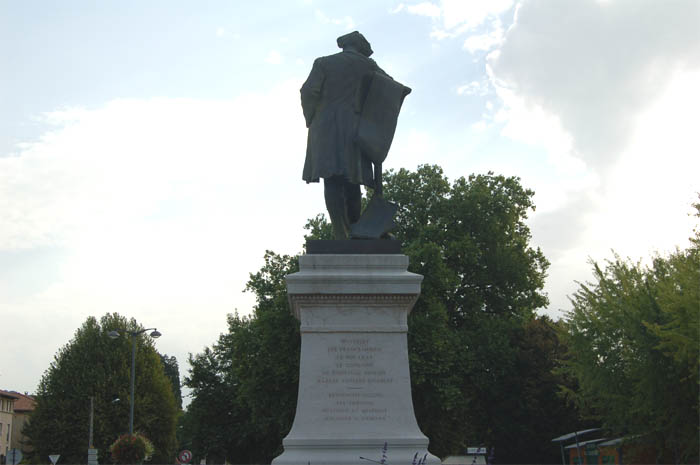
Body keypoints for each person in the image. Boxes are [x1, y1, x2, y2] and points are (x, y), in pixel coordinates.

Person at [300, 31, 390, 239]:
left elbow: (308, 92)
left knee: (331, 179)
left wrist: (312, 118)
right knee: (353, 179)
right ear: (360, 46)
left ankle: (341, 231)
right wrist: (378, 123)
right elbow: (390, 89)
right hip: (354, 128)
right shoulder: (368, 65)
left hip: (324, 128)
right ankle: (356, 228)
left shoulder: (323, 63)